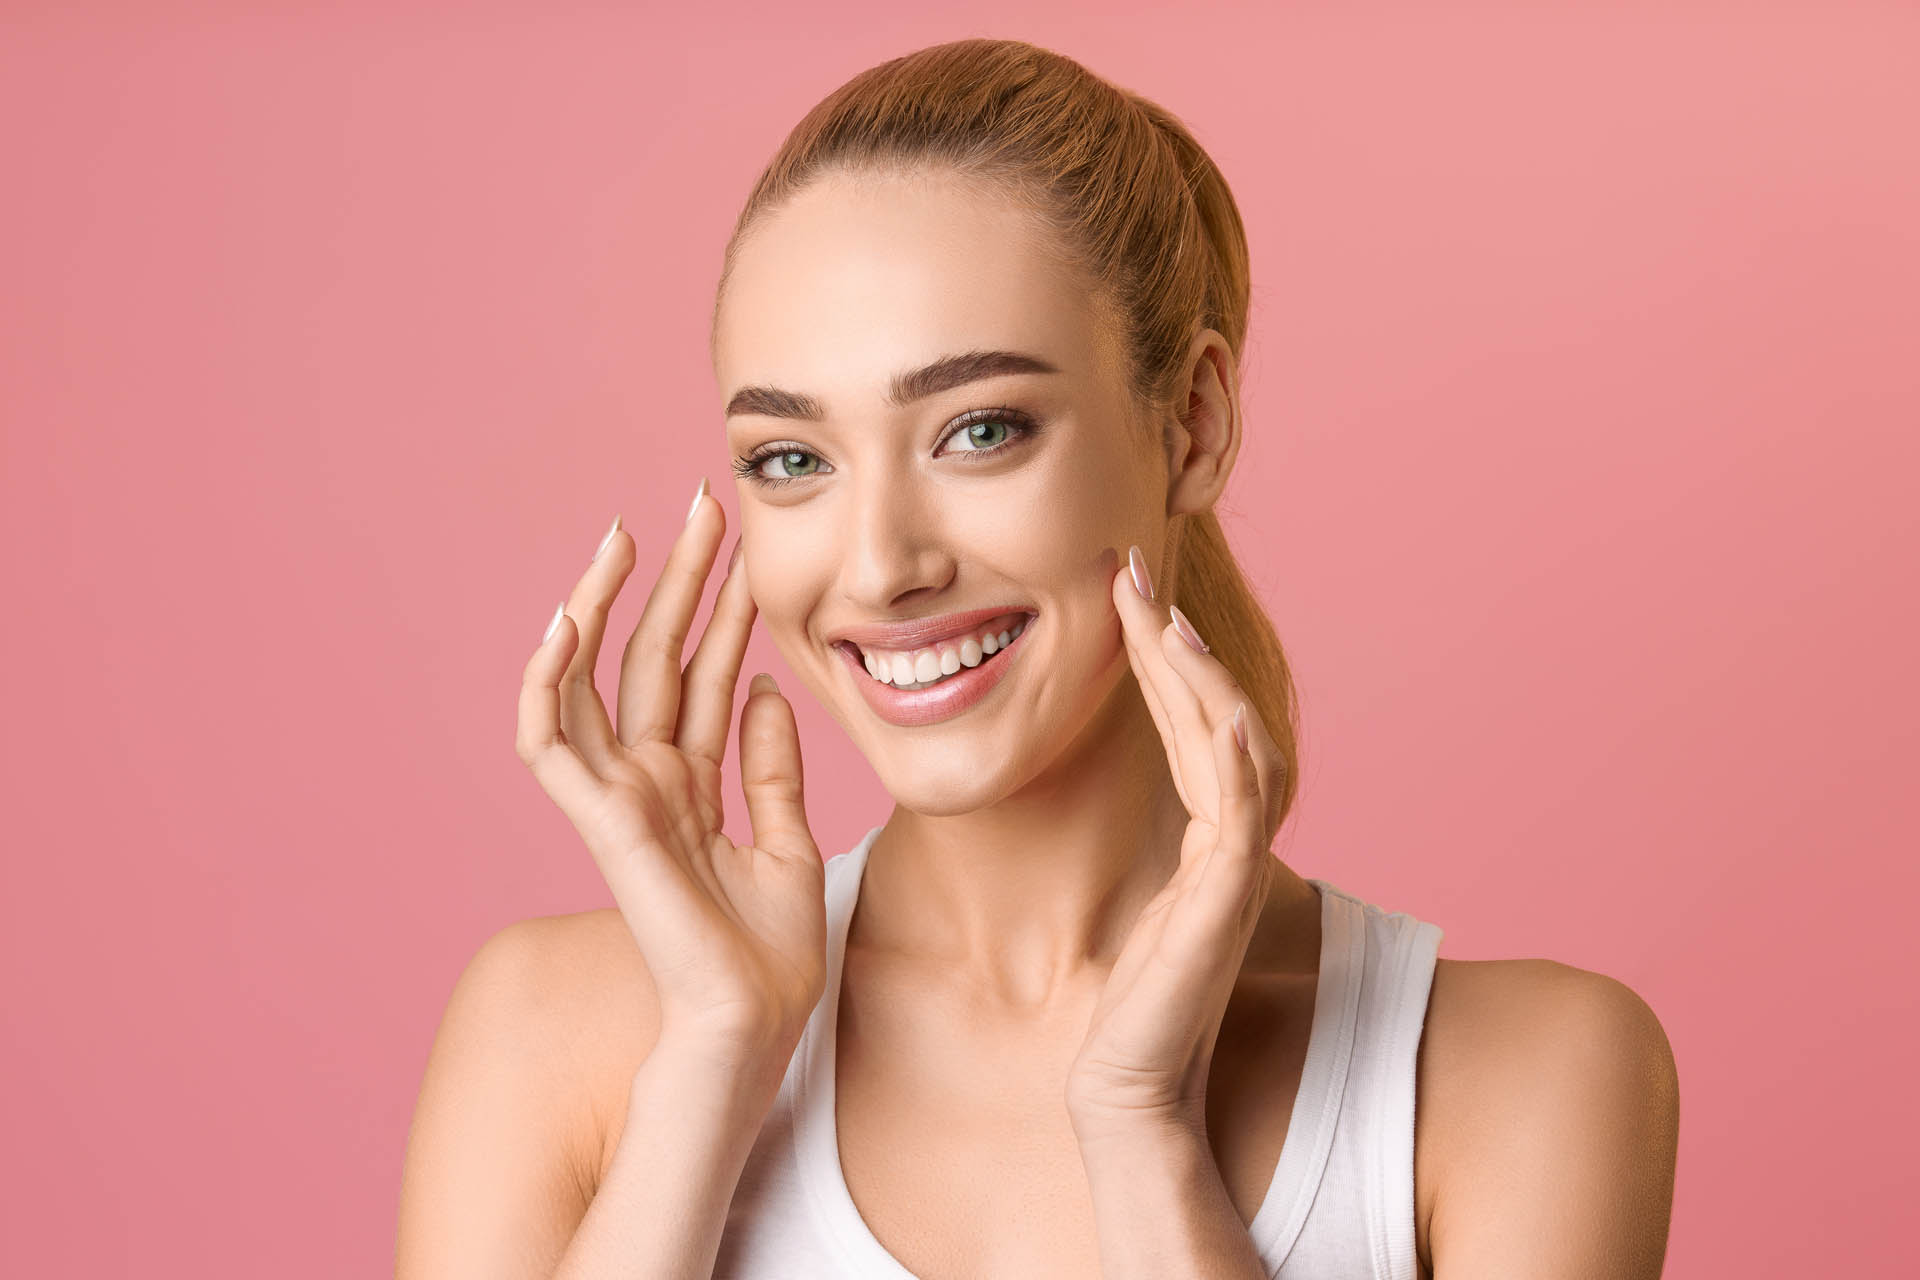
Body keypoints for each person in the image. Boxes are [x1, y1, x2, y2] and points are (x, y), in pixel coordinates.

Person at [396, 37, 1679, 1280]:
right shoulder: (558, 1034)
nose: (882, 560)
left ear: (1192, 423)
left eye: (980, 430)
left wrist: (1141, 1125)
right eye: (793, 458)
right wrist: (712, 1066)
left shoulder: (1517, 1076)